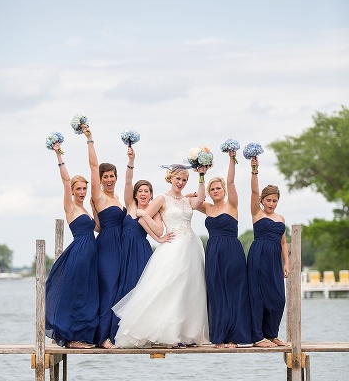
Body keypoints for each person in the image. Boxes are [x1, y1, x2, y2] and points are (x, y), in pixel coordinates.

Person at [113, 165, 209, 348]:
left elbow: (201, 199)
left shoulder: (188, 201)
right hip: (173, 245)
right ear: (171, 179)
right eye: (178, 179)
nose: (181, 183)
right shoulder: (161, 199)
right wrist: (158, 237)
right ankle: (169, 335)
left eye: (184, 180)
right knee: (172, 287)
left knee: (190, 289)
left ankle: (186, 333)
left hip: (191, 246)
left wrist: (202, 176)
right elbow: (142, 218)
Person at [110, 145, 174, 340]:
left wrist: (160, 238)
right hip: (123, 251)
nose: (143, 194)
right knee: (120, 288)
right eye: (141, 191)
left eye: (147, 191)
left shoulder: (153, 211)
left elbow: (159, 230)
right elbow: (128, 182)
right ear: (136, 194)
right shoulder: (130, 205)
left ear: (151, 194)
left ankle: (142, 333)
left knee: (141, 291)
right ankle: (116, 332)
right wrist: (131, 161)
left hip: (141, 252)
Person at [45, 139, 100, 349]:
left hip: (90, 254)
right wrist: (59, 155)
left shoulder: (85, 208)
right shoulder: (70, 208)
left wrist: (94, 207)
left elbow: (98, 229)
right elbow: (65, 180)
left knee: (87, 295)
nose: (82, 191)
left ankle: (79, 335)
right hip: (78, 253)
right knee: (77, 294)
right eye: (79, 189)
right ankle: (72, 338)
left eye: (84, 188)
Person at [197, 149, 253, 347]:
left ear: (223, 190)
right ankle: (219, 336)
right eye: (212, 189)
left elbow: (231, 181)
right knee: (216, 292)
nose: (215, 191)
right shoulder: (206, 207)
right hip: (213, 252)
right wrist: (201, 177)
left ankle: (235, 337)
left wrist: (231, 159)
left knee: (234, 291)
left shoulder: (232, 205)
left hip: (232, 251)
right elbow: (190, 200)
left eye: (218, 188)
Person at [82, 125, 125, 348]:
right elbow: (93, 165)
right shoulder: (98, 196)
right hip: (107, 247)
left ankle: (114, 333)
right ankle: (102, 338)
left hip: (121, 245)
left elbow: (97, 226)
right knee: (108, 289)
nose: (109, 179)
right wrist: (90, 139)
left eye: (112, 176)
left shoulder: (117, 198)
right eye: (105, 176)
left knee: (118, 289)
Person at [246, 156, 289, 347]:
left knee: (278, 297)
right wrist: (254, 170)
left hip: (274, 260)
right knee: (257, 296)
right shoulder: (257, 212)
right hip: (259, 255)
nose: (271, 204)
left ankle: (272, 333)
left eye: (275, 201)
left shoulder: (281, 218)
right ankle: (257, 337)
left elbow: (284, 242)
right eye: (269, 200)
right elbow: (254, 190)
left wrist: (286, 263)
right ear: (262, 200)